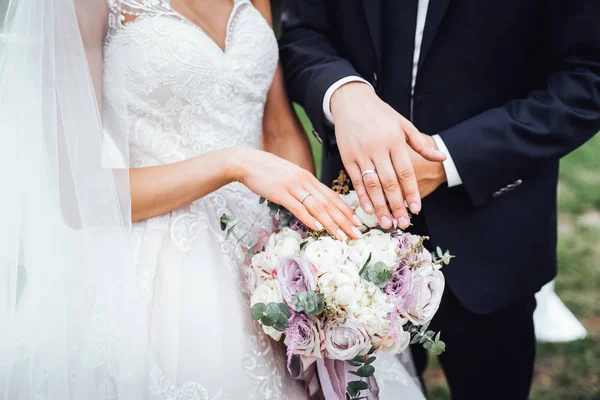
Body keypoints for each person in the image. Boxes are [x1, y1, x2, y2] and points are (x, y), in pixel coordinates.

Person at [0, 0, 430, 398]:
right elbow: (79, 195)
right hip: (158, 267)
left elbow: (279, 129)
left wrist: (311, 244)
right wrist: (231, 164)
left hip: (267, 252)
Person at [279, 0, 600, 399]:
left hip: (494, 238)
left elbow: (588, 77)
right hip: (350, 239)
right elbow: (303, 33)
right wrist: (344, 92)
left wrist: (449, 158)